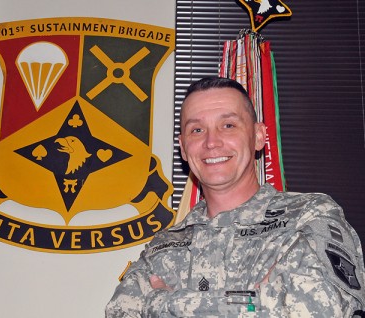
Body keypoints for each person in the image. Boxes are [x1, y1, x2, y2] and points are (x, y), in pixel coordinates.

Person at [105, 77, 365, 317]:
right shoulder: (161, 247)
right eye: (197, 130)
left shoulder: (308, 218)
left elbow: (319, 309)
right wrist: (260, 303)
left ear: (259, 136)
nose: (212, 142)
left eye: (228, 125)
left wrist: (163, 304)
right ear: (183, 148)